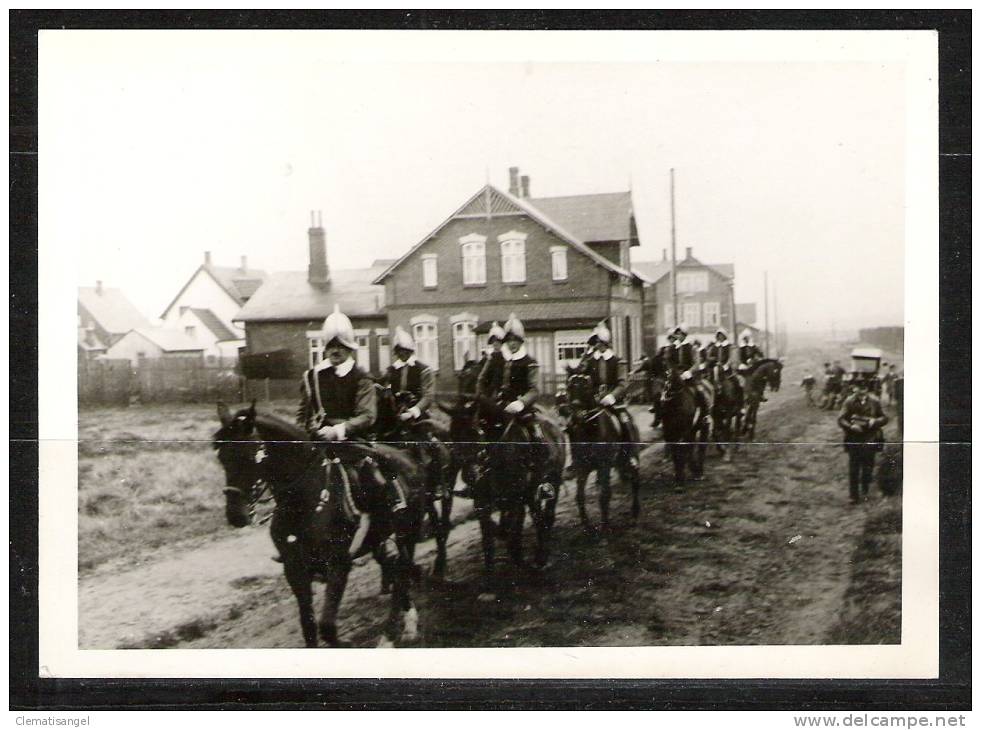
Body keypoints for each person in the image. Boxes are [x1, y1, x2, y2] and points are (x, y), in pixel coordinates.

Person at [297, 305, 407, 515]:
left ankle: (386, 514)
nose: (335, 350)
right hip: (317, 440)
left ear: (350, 348)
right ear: (324, 348)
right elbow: (302, 414)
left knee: (373, 475)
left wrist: (337, 431)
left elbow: (367, 416)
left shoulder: (361, 377)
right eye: (331, 346)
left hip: (352, 439)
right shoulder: (312, 377)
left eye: (341, 346)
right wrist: (303, 433)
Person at [478, 313, 551, 497]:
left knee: (537, 436)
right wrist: (488, 399)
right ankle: (482, 475)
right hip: (498, 409)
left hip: (521, 410)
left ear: (521, 341)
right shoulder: (496, 359)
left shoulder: (529, 362)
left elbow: (534, 390)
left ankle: (542, 482)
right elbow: (481, 381)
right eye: (509, 339)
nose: (512, 343)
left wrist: (521, 402)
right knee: (481, 434)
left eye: (515, 340)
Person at [383, 325, 444, 496]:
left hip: (418, 415)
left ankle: (437, 485)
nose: (402, 354)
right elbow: (385, 390)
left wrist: (414, 410)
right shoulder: (390, 370)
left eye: (406, 350)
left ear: (411, 350)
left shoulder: (423, 369)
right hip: (395, 416)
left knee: (431, 446)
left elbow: (428, 395)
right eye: (399, 350)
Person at [578, 320, 640, 467]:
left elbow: (622, 383)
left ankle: (631, 456)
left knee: (625, 422)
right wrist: (586, 353)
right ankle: (579, 459)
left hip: (614, 402)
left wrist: (612, 396)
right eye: (595, 342)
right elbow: (580, 371)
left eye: (599, 342)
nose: (597, 345)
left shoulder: (618, 361)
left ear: (606, 343)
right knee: (578, 423)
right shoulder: (591, 360)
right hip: (594, 402)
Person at [837, 378, 889, 504]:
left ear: (867, 390)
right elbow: (841, 419)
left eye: (864, 389)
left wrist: (875, 421)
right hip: (854, 437)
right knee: (854, 467)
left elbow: (885, 418)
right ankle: (853, 496)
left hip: (870, 437)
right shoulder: (849, 401)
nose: (861, 392)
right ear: (855, 389)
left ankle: (865, 491)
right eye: (859, 389)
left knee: (868, 467)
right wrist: (850, 426)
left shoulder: (875, 401)